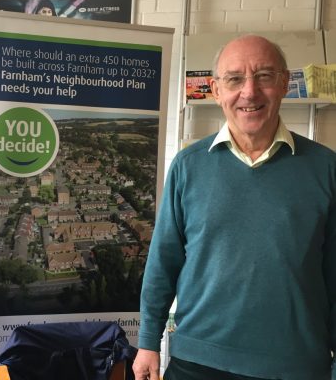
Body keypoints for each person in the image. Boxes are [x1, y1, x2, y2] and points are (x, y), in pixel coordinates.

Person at [133, 35, 336, 380]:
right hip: (197, 364)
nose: (249, 92)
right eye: (234, 79)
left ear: (285, 83)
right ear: (215, 90)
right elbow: (163, 262)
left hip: (296, 366)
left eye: (264, 76)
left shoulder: (326, 168)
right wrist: (148, 342)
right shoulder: (188, 166)